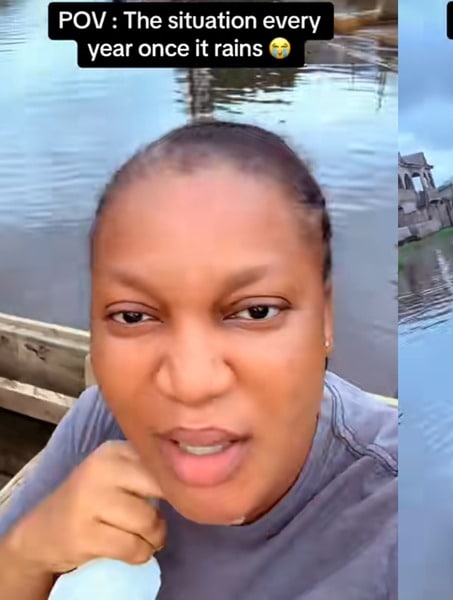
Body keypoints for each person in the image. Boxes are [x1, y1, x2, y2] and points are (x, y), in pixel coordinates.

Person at [0, 121, 398, 599]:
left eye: (256, 311)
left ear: (325, 318)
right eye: (132, 316)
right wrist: (28, 554)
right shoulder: (99, 427)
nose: (190, 382)